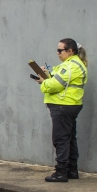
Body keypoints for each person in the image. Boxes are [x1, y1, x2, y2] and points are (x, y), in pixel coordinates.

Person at [35, 38, 88, 183]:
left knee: (61, 139)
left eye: (60, 50)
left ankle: (61, 172)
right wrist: (47, 76)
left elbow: (55, 85)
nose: (58, 53)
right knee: (69, 138)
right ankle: (71, 170)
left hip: (63, 106)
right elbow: (59, 80)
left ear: (70, 51)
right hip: (69, 104)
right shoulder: (72, 65)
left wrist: (43, 83)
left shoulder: (70, 66)